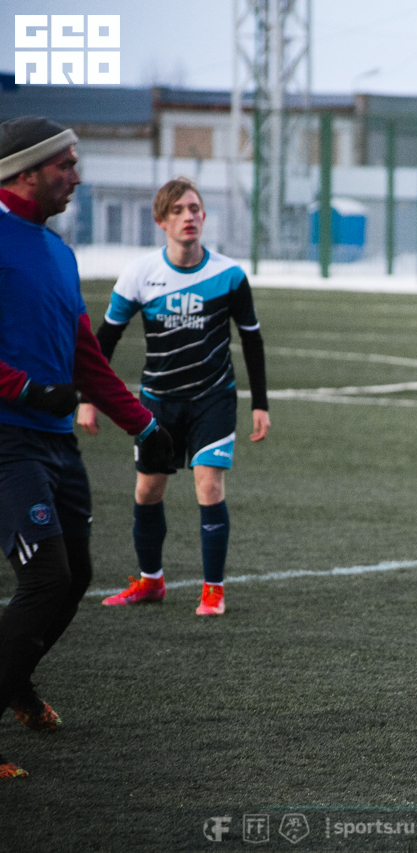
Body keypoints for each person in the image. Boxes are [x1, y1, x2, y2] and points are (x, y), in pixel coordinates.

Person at [0, 116, 172, 778]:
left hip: (54, 442)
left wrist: (145, 425)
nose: (77, 175)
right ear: (24, 172)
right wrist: (23, 388)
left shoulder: (58, 252)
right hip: (8, 440)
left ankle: (15, 679)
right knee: (45, 578)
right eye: (65, 164)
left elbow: (84, 356)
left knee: (71, 578)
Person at [83, 177, 270, 617]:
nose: (189, 217)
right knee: (148, 490)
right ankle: (151, 582)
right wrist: (88, 397)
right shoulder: (140, 274)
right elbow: (104, 340)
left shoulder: (229, 275)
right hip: (157, 402)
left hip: (213, 399)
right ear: (161, 221)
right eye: (178, 211)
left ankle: (213, 590)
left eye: (195, 209)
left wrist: (260, 403)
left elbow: (252, 339)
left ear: (204, 216)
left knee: (209, 483)